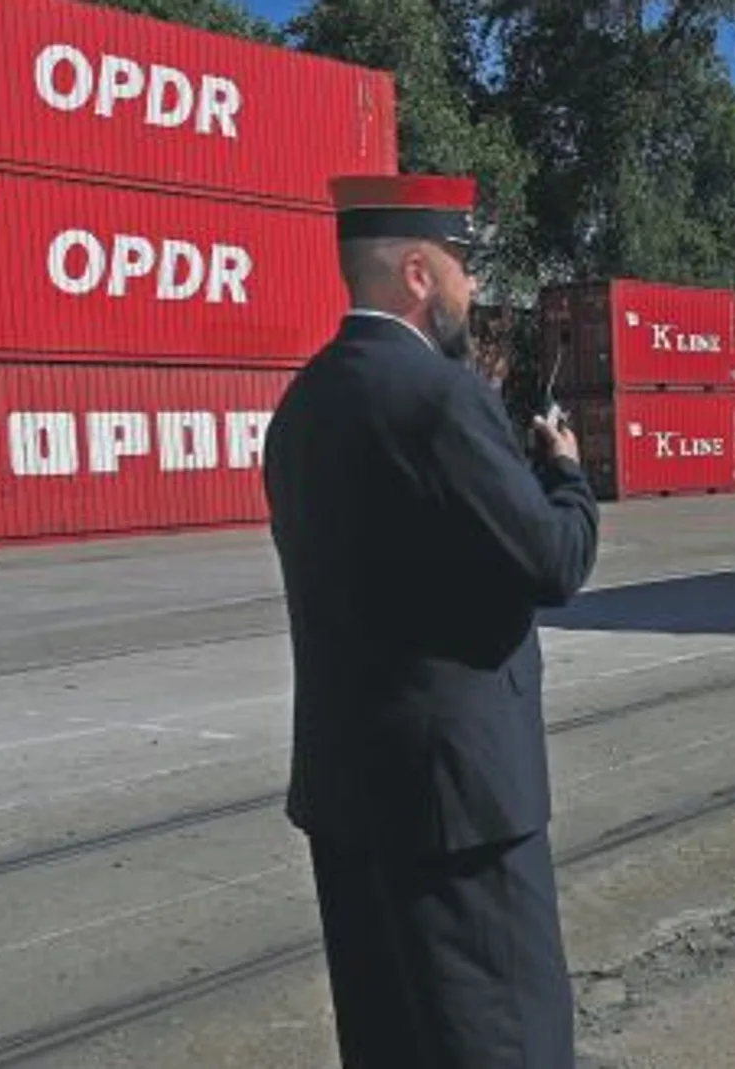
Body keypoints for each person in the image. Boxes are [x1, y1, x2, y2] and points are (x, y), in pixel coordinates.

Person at [261, 173, 599, 1069]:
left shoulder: (303, 405)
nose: (470, 289)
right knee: (502, 1037)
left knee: (390, 1037)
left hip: (348, 794)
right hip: (460, 805)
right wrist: (563, 471)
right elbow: (552, 561)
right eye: (462, 266)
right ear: (417, 270)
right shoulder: (441, 399)